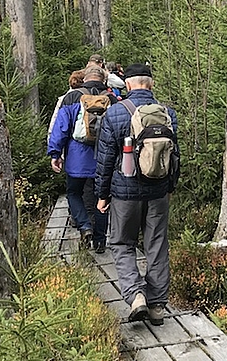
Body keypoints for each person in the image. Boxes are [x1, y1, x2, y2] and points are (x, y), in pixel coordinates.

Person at [95, 63, 178, 326]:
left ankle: (136, 296)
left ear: (128, 84)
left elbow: (106, 159)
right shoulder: (168, 114)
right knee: (156, 246)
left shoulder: (116, 113)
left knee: (121, 243)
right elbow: (175, 157)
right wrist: (170, 187)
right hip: (158, 193)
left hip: (124, 193)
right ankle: (157, 307)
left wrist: (102, 194)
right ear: (150, 84)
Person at [46, 91, 109, 253]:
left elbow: (60, 129)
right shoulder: (108, 100)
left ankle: (85, 226)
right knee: (102, 197)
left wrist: (55, 154)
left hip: (76, 161)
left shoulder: (72, 101)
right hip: (102, 160)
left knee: (74, 193)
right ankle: (100, 241)